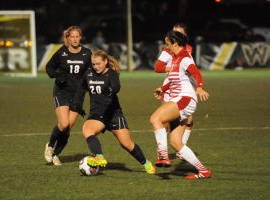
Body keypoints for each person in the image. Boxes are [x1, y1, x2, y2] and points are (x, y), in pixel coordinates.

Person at [75, 49, 156, 174]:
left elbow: (116, 86)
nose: (95, 67)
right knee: (87, 130)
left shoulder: (111, 74)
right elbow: (81, 89)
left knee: (126, 144)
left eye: (98, 64)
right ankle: (99, 157)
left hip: (113, 113)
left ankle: (146, 163)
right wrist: (78, 105)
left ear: (106, 61)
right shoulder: (88, 73)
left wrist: (110, 90)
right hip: (97, 113)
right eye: (93, 64)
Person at [150, 30, 211, 179]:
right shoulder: (176, 58)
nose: (166, 47)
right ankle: (203, 171)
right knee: (176, 142)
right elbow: (174, 79)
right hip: (180, 99)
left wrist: (200, 87)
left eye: (168, 44)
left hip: (184, 99)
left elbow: (196, 73)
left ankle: (163, 155)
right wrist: (162, 89)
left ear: (175, 43)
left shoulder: (184, 57)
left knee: (155, 119)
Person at [44, 26, 92, 166]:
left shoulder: (87, 53)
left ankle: (56, 155)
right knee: (63, 124)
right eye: (72, 37)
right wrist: (58, 75)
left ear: (80, 37)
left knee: (68, 128)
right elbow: (49, 68)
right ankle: (50, 146)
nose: (75, 39)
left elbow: (91, 72)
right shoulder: (61, 53)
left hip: (78, 95)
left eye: (77, 36)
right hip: (62, 91)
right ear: (68, 38)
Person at [154, 23, 194, 167]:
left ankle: (179, 148)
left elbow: (191, 71)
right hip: (170, 87)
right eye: (174, 32)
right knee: (164, 121)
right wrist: (171, 68)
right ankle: (162, 154)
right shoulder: (167, 50)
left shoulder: (187, 49)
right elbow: (158, 67)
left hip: (183, 87)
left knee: (189, 119)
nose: (175, 35)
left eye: (179, 33)